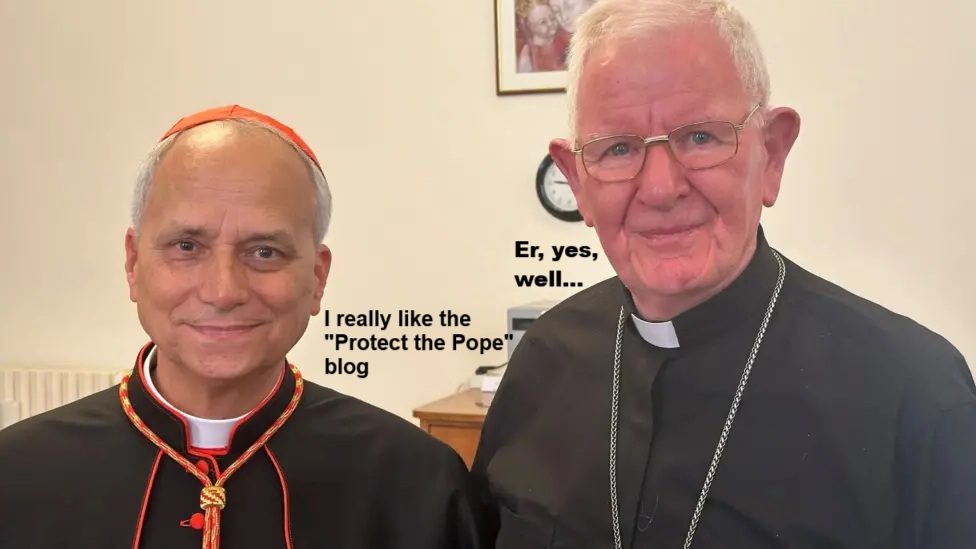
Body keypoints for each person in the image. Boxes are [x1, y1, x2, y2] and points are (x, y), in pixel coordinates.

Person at [472, 1, 976, 548]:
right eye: (617, 149)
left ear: (772, 154)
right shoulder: (541, 363)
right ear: (577, 180)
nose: (661, 189)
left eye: (701, 138)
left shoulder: (916, 397)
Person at [0, 105, 492, 549]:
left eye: (264, 252)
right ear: (133, 264)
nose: (222, 291)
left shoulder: (418, 484)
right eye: (186, 247)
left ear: (317, 278)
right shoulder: (18, 475)